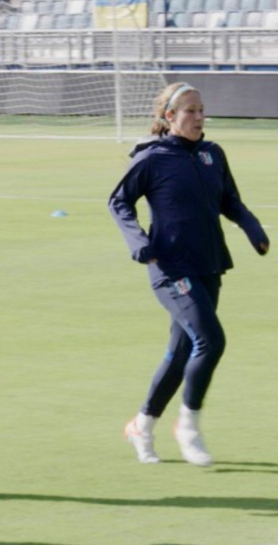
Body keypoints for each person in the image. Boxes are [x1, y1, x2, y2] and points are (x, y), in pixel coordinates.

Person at [108, 82, 269, 466]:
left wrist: (252, 228)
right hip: (170, 267)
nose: (199, 118)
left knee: (182, 352)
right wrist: (138, 243)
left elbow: (230, 200)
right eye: (190, 111)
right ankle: (188, 426)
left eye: (201, 110)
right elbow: (119, 202)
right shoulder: (152, 158)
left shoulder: (213, 154)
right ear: (169, 118)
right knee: (211, 341)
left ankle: (142, 425)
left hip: (209, 264)